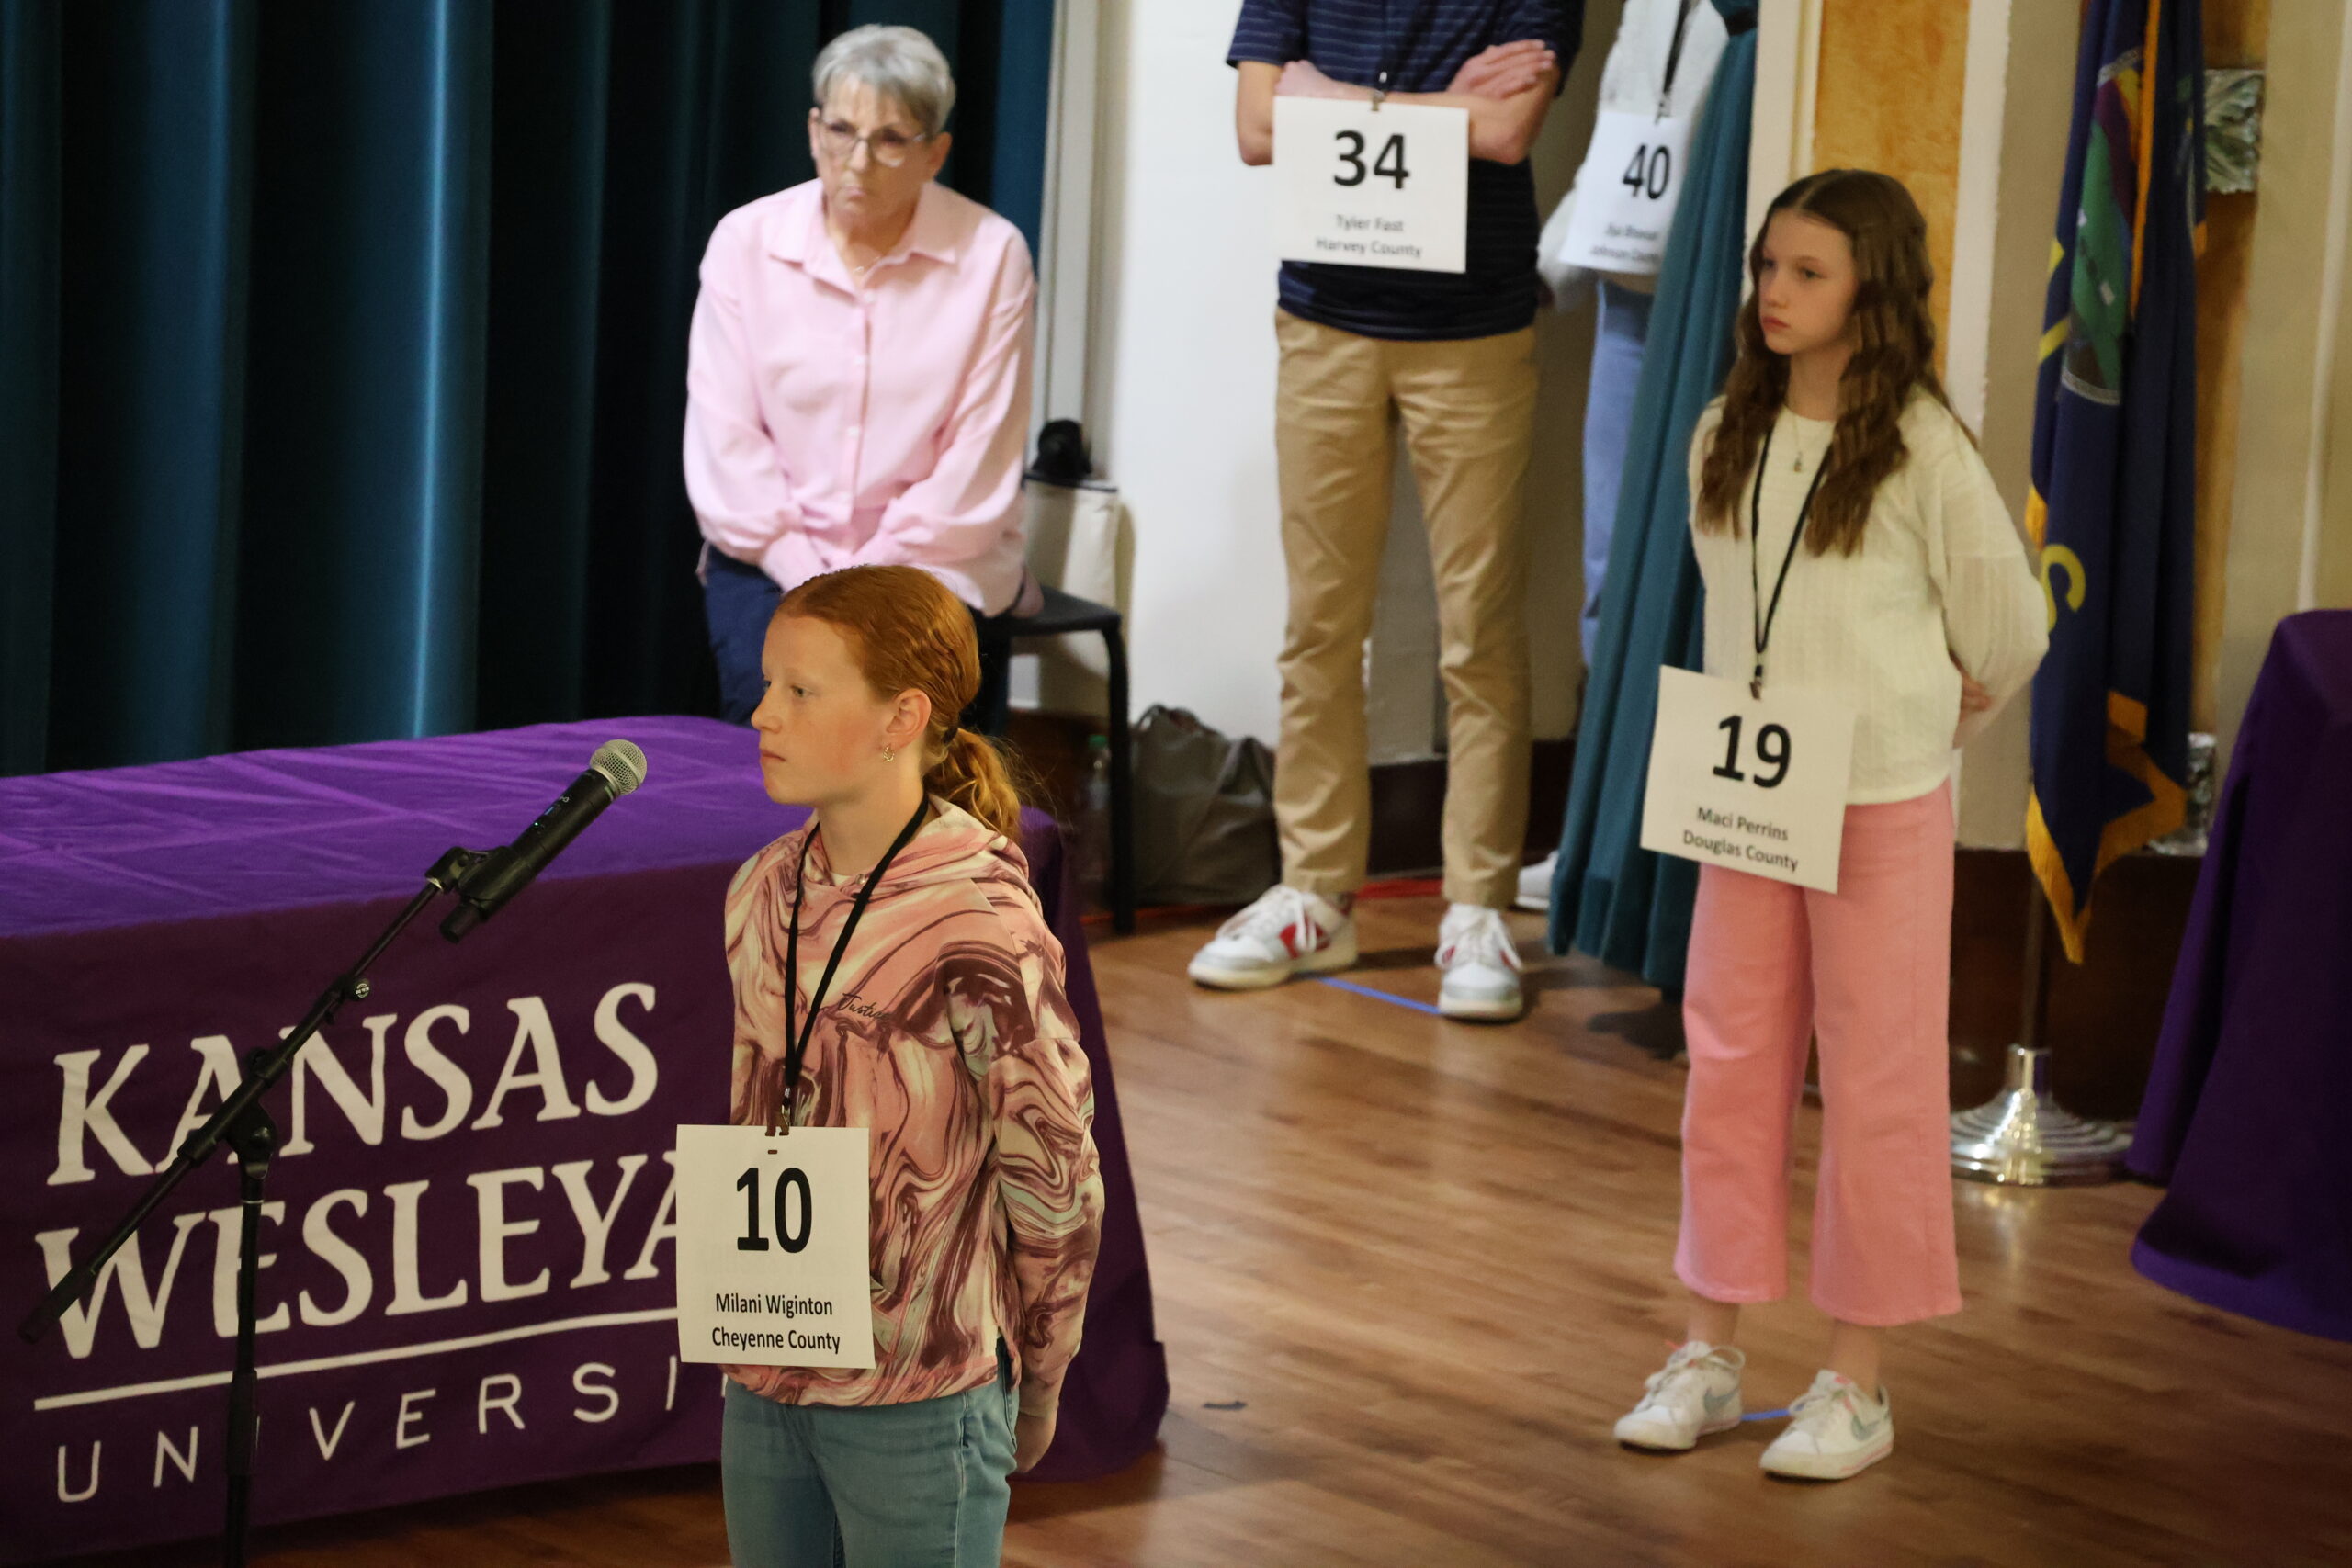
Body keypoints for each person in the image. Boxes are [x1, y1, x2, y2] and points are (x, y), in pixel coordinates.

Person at [1611, 170, 2046, 1481]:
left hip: (1882, 802)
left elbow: (2012, 632)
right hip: (1750, 794)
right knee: (1729, 1061)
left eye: (1808, 273)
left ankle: (1855, 1379)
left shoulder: (1919, 447)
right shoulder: (1723, 434)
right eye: (1768, 271)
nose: (1775, 296)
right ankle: (1709, 1345)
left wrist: (1923, 729)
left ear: (1874, 292)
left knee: (1878, 1080)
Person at [1193, 0, 1582, 1021]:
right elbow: (1256, 128)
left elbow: (1504, 133)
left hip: (1475, 333)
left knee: (1480, 631)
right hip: (1324, 322)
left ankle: (1476, 908)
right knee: (1318, 624)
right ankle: (1316, 895)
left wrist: (1334, 97)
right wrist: (1429, 105)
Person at [718, 563, 1103, 1565]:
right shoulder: (762, 891)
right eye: (768, 685)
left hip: (918, 1393)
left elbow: (1054, 1171)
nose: (764, 714)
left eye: (801, 692)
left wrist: (1042, 1369)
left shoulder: (978, 923)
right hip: (767, 1368)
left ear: (902, 718)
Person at [686, 25, 1037, 735]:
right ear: (813, 131)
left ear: (935, 152)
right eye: (841, 131)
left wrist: (864, 580)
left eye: (890, 139)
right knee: (785, 734)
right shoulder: (746, 244)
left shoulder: (993, 255)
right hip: (772, 558)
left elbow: (977, 459)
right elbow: (727, 441)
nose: (857, 162)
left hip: (933, 559)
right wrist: (810, 575)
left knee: (896, 744)